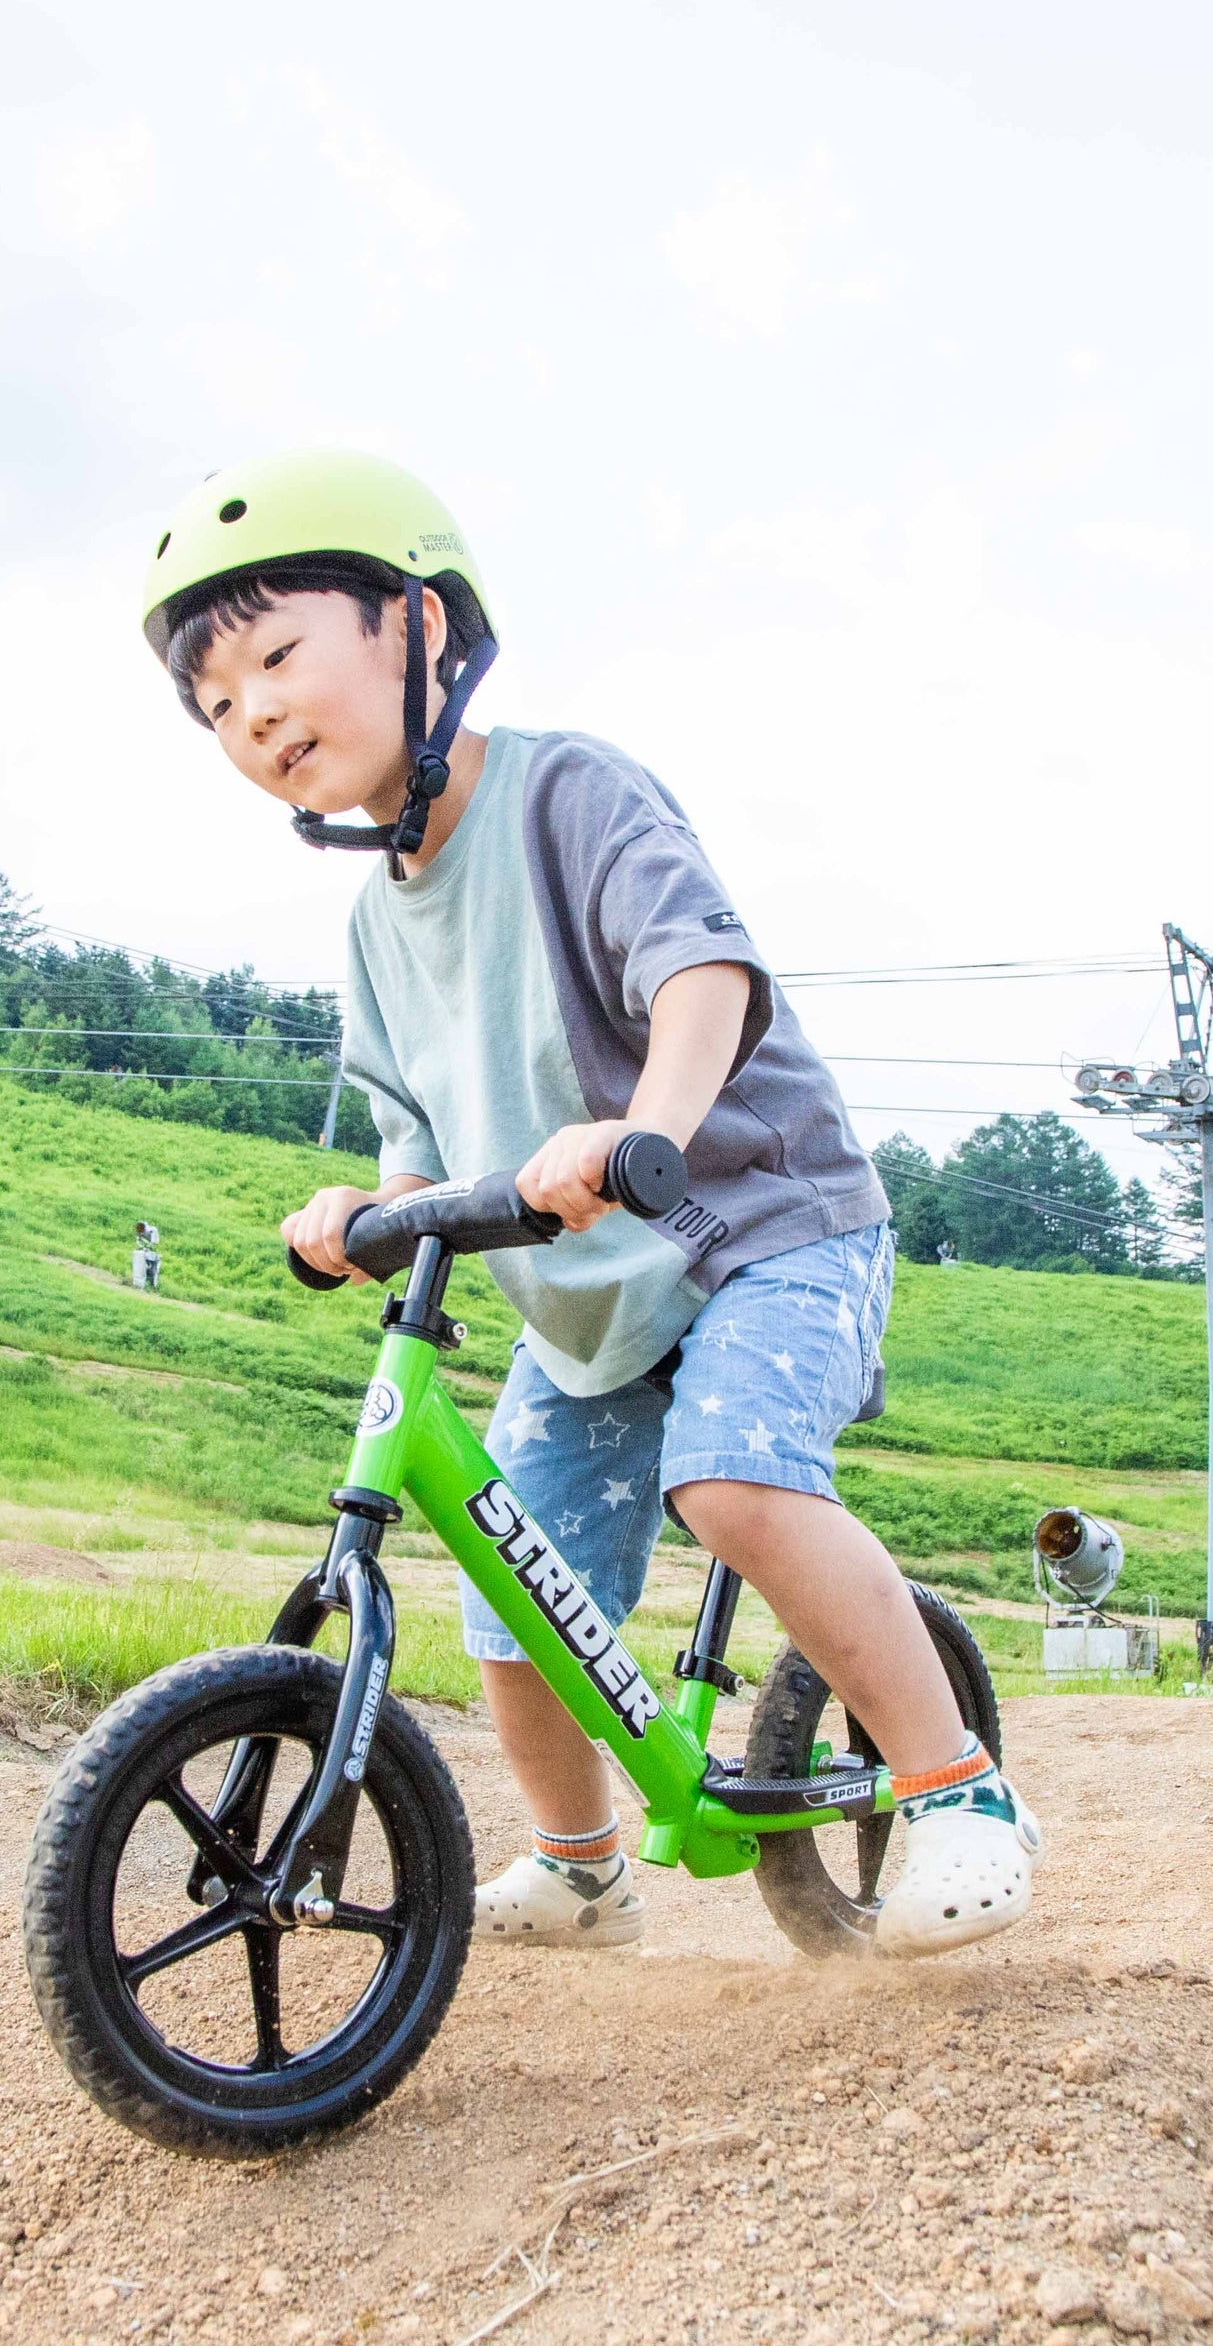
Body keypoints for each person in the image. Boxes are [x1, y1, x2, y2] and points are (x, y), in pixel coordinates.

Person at [137, 450, 1043, 1958]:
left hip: (760, 1227)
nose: (258, 713)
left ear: (420, 628)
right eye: (218, 703)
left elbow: (704, 972)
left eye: (281, 654)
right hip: (590, 1306)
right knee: (510, 1582)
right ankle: (579, 1866)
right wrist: (370, 1208)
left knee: (736, 1476)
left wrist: (640, 1129)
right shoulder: (373, 930)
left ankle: (959, 1788)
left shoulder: (568, 794)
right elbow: (418, 1138)